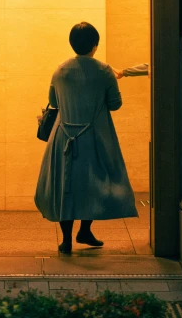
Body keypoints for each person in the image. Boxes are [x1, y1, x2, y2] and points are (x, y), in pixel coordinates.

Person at [34, 21, 138, 254]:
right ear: (95, 44)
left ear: (72, 44)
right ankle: (85, 230)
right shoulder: (104, 71)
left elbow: (54, 101)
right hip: (93, 137)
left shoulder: (60, 70)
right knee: (92, 186)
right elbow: (115, 104)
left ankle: (67, 239)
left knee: (65, 185)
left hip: (63, 137)